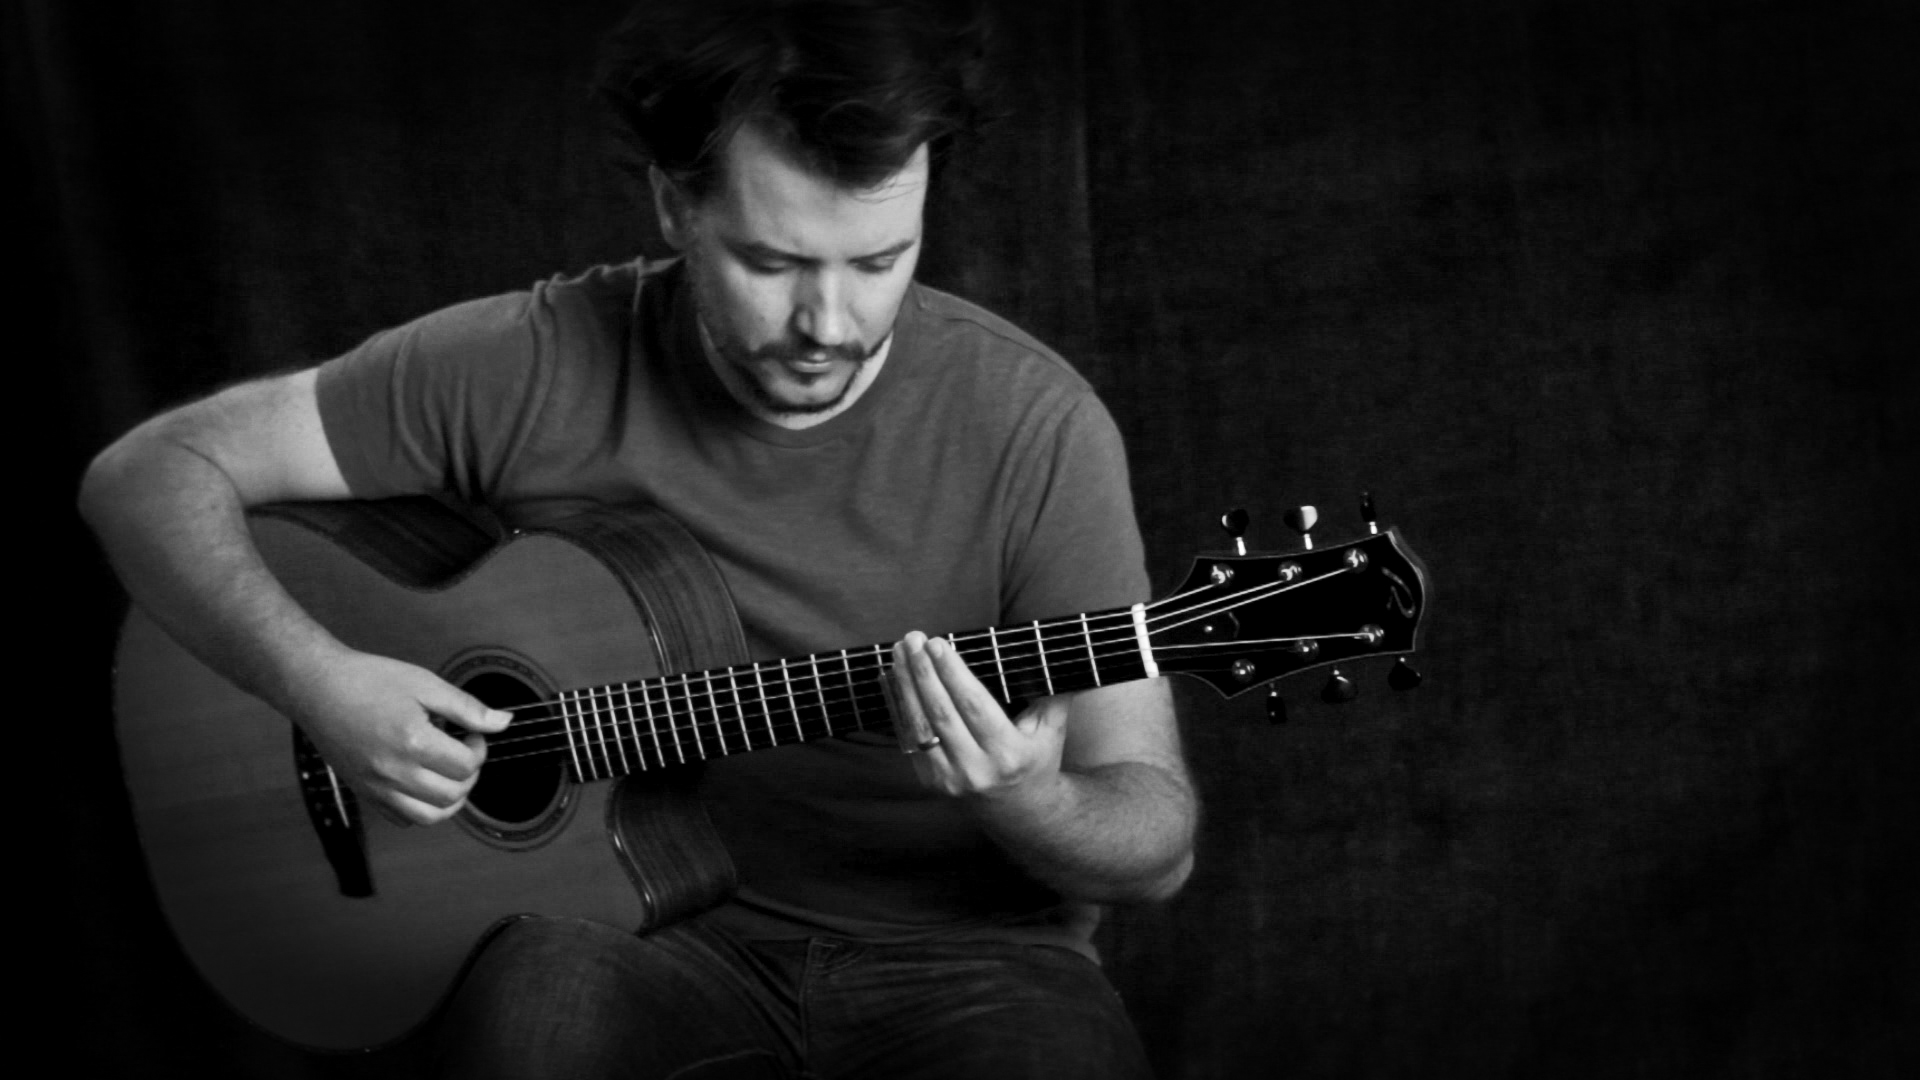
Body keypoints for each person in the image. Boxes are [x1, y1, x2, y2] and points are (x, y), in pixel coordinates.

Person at [79, 1, 1197, 1076]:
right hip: (641, 940)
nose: (832, 325)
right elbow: (143, 478)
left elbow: (1154, 842)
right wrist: (320, 682)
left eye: (877, 261)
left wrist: (1025, 799)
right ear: (675, 205)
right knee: (536, 1019)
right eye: (772, 263)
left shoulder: (1034, 426)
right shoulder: (533, 361)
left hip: (973, 961)